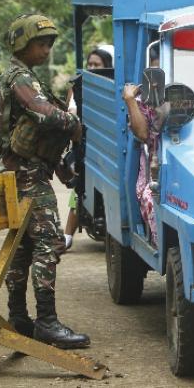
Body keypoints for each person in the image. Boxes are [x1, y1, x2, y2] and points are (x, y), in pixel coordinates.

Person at [0, 14, 89, 349]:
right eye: (40, 43)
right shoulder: (19, 77)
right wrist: (74, 122)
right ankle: (47, 322)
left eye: (49, 44)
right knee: (50, 241)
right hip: (25, 177)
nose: (46, 49)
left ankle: (19, 317)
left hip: (22, 173)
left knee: (23, 247)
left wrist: (63, 170)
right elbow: (41, 113)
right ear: (22, 44)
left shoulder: (24, 75)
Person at [63, 47, 113, 249]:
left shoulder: (110, 88)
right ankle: (67, 236)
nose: (92, 68)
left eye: (97, 65)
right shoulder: (78, 86)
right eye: (90, 64)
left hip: (104, 145)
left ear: (107, 67)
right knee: (78, 186)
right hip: (83, 145)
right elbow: (68, 114)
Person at [122, 75, 168, 248]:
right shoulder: (144, 100)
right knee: (152, 199)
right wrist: (130, 100)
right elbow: (142, 134)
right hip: (155, 175)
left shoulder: (189, 97)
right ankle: (161, 246)